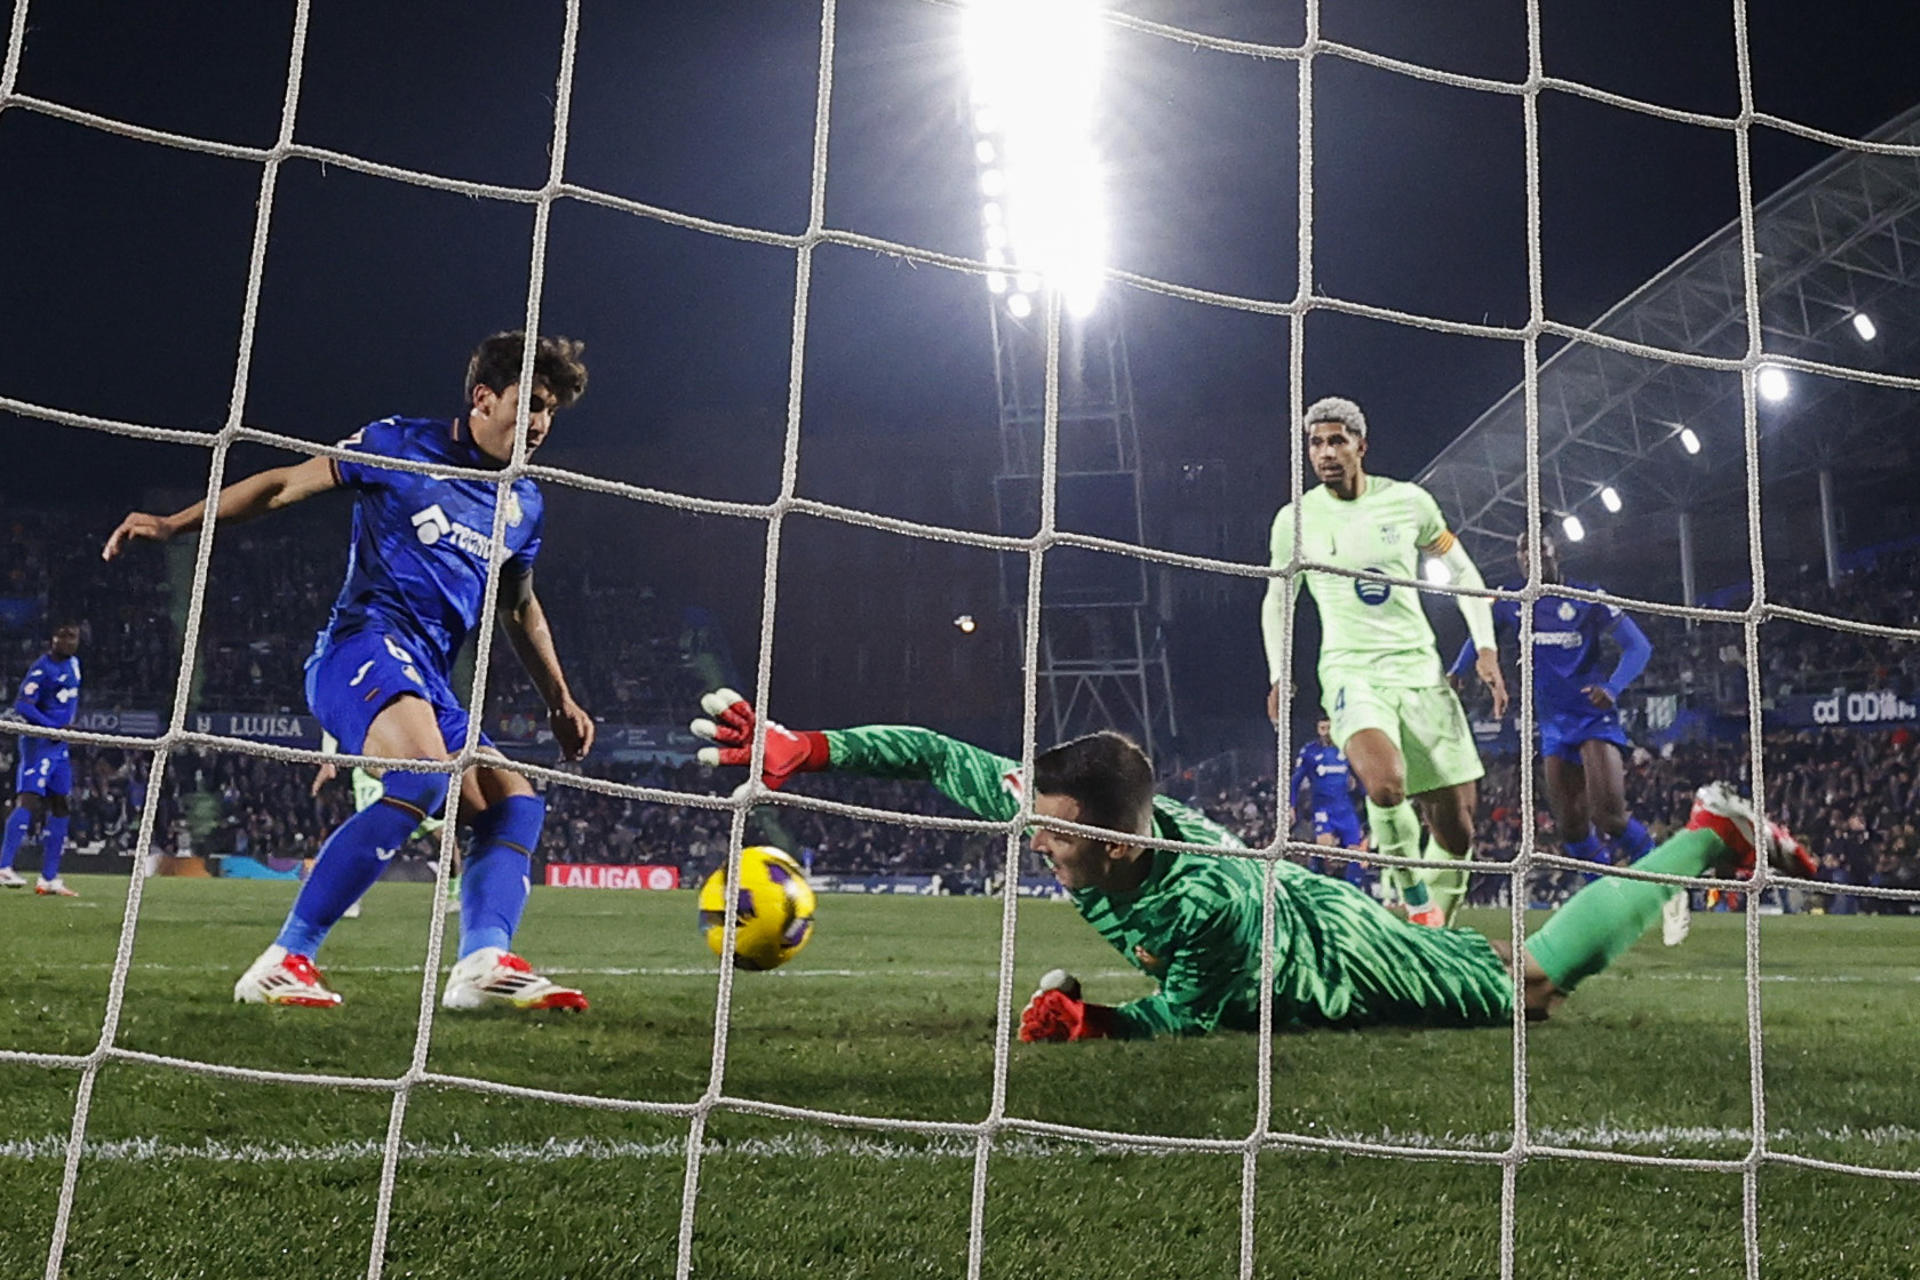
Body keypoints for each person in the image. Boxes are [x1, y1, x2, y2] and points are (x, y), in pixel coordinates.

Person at [691, 688, 1814, 1040]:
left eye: (1060, 833)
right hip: (1285, 905)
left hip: (1325, 948)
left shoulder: (1201, 909)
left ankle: (1712, 831)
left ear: (1123, 840)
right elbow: (938, 753)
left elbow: (1195, 1016)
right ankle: (1711, 838)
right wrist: (804, 750)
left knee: (1526, 988)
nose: (1040, 840)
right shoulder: (1066, 806)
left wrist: (1096, 1021)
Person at [103, 331, 594, 1011]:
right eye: (531, 403)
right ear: (484, 398)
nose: (540, 424)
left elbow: (520, 608)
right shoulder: (398, 444)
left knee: (513, 803)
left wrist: (560, 700)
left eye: (550, 413)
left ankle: (481, 962)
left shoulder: (524, 504)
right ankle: (284, 960)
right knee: (422, 776)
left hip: (426, 678)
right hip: (360, 648)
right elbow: (280, 486)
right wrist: (173, 524)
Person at [1261, 397, 1506, 927]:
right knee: (1386, 784)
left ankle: (1436, 924)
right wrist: (1280, 672)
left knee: (1458, 830)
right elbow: (1279, 597)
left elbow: (1463, 572)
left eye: (1336, 441)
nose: (1325, 453)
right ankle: (1412, 896)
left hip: (1419, 670)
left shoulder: (1409, 503)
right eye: (1315, 443)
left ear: (1360, 446)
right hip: (1352, 671)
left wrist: (1484, 645)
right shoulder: (1296, 520)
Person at [1446, 520, 1677, 932]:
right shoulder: (1513, 601)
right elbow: (1479, 634)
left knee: (1610, 817)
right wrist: (1459, 670)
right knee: (1570, 828)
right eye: (1523, 552)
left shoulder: (1586, 597)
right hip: (1553, 726)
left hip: (1593, 719)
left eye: (1540, 550)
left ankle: (1668, 892)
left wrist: (1613, 686)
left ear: (1557, 555)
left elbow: (1639, 645)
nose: (1531, 557)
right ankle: (1612, 901)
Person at [309, 730, 458, 920]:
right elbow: (331, 720)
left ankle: (451, 897)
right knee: (369, 834)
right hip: (370, 773)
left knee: (445, 836)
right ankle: (350, 899)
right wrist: (328, 758)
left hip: (407, 771)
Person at [0, 621, 83, 896]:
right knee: (30, 798)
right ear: (53, 640)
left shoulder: (74, 665)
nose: (70, 642)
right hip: (40, 744)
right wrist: (50, 728)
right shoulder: (42, 668)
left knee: (61, 805)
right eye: (65, 637)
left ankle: (49, 878)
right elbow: (23, 704)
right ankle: (4, 866)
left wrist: (65, 727)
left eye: (74, 637)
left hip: (60, 747)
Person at [1289, 713, 1368, 852]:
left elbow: (1359, 777)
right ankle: (1316, 870)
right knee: (1324, 849)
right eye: (1322, 728)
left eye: (1329, 728)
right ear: (1318, 729)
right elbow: (1295, 781)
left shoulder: (1346, 748)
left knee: (1356, 852)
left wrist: (1365, 795)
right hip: (1323, 809)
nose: (1326, 733)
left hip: (1346, 810)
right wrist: (1291, 806)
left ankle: (1351, 874)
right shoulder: (1309, 751)